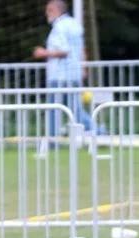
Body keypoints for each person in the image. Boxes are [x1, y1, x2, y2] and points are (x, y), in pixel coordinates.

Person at [33, 0, 93, 139]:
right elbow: (82, 49)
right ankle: (97, 131)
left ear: (56, 10)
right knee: (75, 110)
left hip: (59, 75)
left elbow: (64, 51)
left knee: (54, 109)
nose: (46, 14)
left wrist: (43, 53)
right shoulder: (75, 24)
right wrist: (83, 67)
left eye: (49, 10)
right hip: (74, 74)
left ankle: (52, 139)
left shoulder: (59, 27)